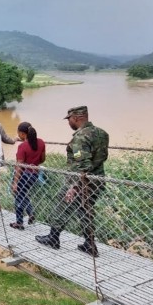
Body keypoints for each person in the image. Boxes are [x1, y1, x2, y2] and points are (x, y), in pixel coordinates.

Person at [35, 106, 108, 257]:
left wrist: (74, 187)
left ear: (76, 118)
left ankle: (53, 238)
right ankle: (90, 244)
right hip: (97, 180)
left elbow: (82, 165)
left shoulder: (80, 138)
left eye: (69, 119)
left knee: (61, 207)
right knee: (85, 211)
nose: (69, 122)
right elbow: (100, 158)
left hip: (79, 183)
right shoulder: (102, 133)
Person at [10, 122, 46, 230]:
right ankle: (30, 213)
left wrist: (15, 183)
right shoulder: (41, 143)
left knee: (18, 196)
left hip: (23, 175)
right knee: (23, 194)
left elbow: (19, 166)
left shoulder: (23, 146)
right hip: (34, 174)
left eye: (18, 133)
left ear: (21, 134)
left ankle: (20, 222)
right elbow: (43, 159)